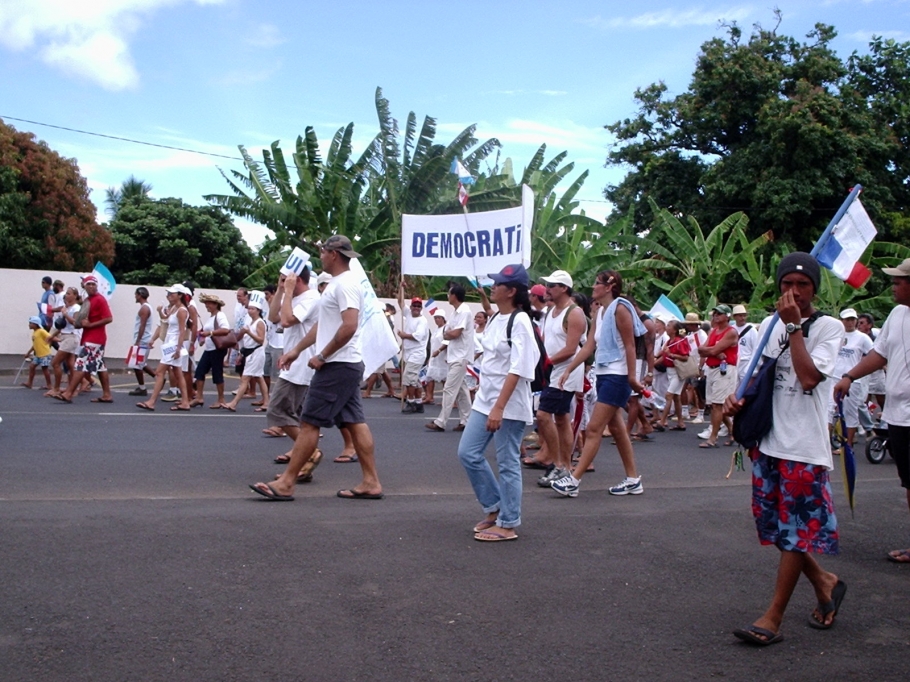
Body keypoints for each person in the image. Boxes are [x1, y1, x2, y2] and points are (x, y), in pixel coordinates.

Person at [725, 252, 846, 645]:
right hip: (769, 442)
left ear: (814, 288)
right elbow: (756, 379)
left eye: (803, 286)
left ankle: (772, 617)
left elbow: (809, 378)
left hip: (803, 446)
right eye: (786, 286)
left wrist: (795, 327)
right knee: (778, 528)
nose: (793, 293)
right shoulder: (768, 326)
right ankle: (825, 582)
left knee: (794, 532)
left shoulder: (827, 327)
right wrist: (735, 402)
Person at [250, 235, 382, 501]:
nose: (320, 256)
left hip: (337, 364)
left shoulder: (344, 285)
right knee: (355, 422)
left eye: (322, 251)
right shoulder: (337, 285)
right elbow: (323, 326)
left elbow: (349, 325)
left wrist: (322, 355)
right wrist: (296, 350)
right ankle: (371, 481)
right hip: (343, 363)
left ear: (334, 254)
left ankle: (286, 483)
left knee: (309, 423)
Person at [833, 257, 910, 563]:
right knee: (908, 482)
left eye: (898, 281)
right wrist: (849, 376)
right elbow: (880, 354)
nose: (893, 286)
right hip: (899, 415)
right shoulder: (897, 314)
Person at [457, 264, 539, 542]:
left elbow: (518, 368)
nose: (493, 286)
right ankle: (494, 507)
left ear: (512, 291)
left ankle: (508, 522)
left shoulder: (521, 322)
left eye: (498, 284)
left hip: (509, 405)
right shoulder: (495, 319)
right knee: (468, 453)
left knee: (507, 463)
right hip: (485, 400)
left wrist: (500, 407)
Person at [551, 271, 646, 498]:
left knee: (594, 428)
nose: (593, 287)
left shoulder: (620, 309)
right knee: (616, 427)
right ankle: (633, 479)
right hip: (604, 373)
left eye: (597, 283)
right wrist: (569, 368)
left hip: (617, 375)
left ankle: (574, 480)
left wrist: (633, 377)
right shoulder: (602, 311)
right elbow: (588, 346)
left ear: (609, 286)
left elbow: (630, 345)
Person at [535, 269, 587, 487]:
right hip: (553, 371)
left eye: (552, 285)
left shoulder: (573, 313)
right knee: (562, 417)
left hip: (565, 372)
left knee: (543, 415)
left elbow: (571, 349)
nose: (547, 289)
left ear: (564, 288)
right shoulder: (551, 312)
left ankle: (558, 464)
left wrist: (548, 361)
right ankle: (563, 465)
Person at [263, 268, 321, 461]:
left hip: (300, 364)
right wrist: (280, 290)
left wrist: (287, 292)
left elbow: (287, 320)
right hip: (292, 363)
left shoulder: (311, 298)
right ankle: (301, 452)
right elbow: (273, 318)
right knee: (299, 415)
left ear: (296, 280)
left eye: (287, 279)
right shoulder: (294, 298)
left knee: (278, 410)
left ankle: (309, 452)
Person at [56, 275, 114, 404]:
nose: (92, 286)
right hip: (91, 338)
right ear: (84, 286)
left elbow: (109, 318)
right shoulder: (88, 300)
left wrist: (90, 325)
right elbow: (80, 321)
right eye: (89, 284)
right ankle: (107, 394)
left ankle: (68, 393)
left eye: (94, 284)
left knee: (80, 365)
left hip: (95, 338)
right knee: (100, 367)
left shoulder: (100, 299)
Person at [135, 284, 191, 411]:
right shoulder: (174, 308)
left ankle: (152, 401)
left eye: (172, 294)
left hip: (173, 344)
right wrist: (160, 310)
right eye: (169, 294)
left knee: (160, 372)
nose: (169, 296)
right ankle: (185, 401)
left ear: (180, 295)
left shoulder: (182, 310)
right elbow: (165, 319)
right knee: (178, 372)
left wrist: (177, 348)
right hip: (170, 342)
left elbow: (182, 331)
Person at [427, 283, 474, 432]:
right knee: (462, 391)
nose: (448, 296)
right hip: (454, 355)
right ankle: (467, 421)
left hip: (460, 356)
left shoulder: (464, 311)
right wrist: (447, 334)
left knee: (449, 389)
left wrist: (447, 334)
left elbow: (454, 333)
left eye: (449, 293)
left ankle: (441, 421)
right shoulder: (454, 313)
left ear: (454, 295)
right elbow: (447, 333)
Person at [828, 308, 871, 450]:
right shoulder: (836, 335)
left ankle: (847, 445)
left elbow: (873, 355)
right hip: (834, 377)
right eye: (847, 319)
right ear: (842, 321)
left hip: (853, 381)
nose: (850, 322)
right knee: (828, 410)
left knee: (849, 413)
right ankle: (825, 445)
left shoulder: (862, 338)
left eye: (853, 319)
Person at [697, 304, 739, 447]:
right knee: (717, 404)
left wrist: (711, 350)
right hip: (713, 367)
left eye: (719, 313)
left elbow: (710, 350)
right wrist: (712, 351)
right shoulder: (714, 331)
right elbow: (702, 350)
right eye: (715, 313)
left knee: (717, 405)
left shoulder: (731, 332)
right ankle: (733, 431)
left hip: (725, 369)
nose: (715, 315)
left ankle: (713, 438)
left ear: (727, 316)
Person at [223, 293, 269, 412]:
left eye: (252, 309)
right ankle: (267, 402)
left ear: (258, 310)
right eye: (249, 308)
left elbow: (260, 339)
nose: (250, 311)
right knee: (259, 378)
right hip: (249, 353)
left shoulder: (260, 322)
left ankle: (234, 403)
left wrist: (249, 333)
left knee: (245, 378)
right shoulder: (251, 322)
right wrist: (241, 352)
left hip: (256, 352)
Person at [191, 293, 232, 409]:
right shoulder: (211, 318)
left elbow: (225, 329)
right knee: (199, 372)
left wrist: (210, 333)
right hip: (209, 348)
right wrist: (203, 338)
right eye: (206, 303)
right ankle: (199, 397)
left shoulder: (220, 315)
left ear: (215, 305)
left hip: (217, 349)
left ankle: (221, 399)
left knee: (217, 374)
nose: (206, 305)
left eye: (209, 303)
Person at [45, 287, 82, 398]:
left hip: (71, 337)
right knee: (70, 364)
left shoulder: (76, 308)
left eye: (69, 293)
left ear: (75, 296)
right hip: (65, 336)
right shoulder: (66, 307)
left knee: (55, 363)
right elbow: (62, 325)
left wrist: (65, 314)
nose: (66, 295)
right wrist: (52, 335)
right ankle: (72, 389)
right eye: (66, 293)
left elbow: (76, 323)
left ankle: (56, 388)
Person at [656, 320, 691, 431]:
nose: (666, 327)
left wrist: (671, 354)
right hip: (671, 371)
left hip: (677, 372)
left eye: (669, 326)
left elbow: (685, 357)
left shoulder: (679, 341)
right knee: (676, 397)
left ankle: (662, 420)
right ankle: (681, 422)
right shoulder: (670, 341)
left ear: (674, 330)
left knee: (669, 395)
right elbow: (661, 354)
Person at [398, 296, 429, 413]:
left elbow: (417, 336)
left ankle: (410, 402)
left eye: (418, 306)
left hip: (417, 353)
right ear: (411, 307)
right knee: (415, 380)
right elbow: (400, 302)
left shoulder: (422, 321)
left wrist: (403, 335)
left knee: (409, 378)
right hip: (409, 352)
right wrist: (401, 288)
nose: (416, 308)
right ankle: (419, 403)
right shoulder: (408, 314)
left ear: (421, 308)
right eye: (414, 305)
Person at [128, 287, 157, 396]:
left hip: (143, 341)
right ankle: (158, 378)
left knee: (136, 365)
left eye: (136, 294)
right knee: (141, 363)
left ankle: (142, 388)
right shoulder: (146, 307)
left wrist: (138, 341)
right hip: (143, 340)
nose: (135, 296)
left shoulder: (144, 308)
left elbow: (142, 325)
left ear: (140, 295)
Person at [424, 310, 448, 406]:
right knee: (430, 377)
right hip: (434, 357)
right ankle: (429, 396)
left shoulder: (445, 329)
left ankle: (446, 400)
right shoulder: (436, 330)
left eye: (439, 318)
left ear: (443, 319)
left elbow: (447, 342)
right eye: (435, 318)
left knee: (444, 379)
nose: (437, 320)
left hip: (442, 356)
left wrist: (439, 351)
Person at [23, 316, 53, 390]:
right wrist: (28, 352)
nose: (29, 325)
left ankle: (49, 385)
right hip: (38, 354)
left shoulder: (41, 331)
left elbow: (50, 337)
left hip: (45, 354)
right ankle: (29, 383)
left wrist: (48, 342)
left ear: (36, 324)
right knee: (32, 367)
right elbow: (34, 345)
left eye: (31, 323)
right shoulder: (35, 333)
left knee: (44, 369)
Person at [732, 304, 759, 383]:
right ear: (734, 317)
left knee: (744, 388)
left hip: (746, 361)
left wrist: (752, 366)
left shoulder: (751, 330)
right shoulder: (732, 329)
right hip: (734, 362)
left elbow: (756, 348)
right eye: (740, 316)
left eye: (744, 315)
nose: (742, 318)